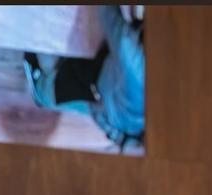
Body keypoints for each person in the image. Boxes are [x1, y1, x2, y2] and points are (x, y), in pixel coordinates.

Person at [23, 5, 145, 151]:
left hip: (102, 97)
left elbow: (108, 15)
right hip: (124, 108)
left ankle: (40, 92)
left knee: (58, 90)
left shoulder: (133, 57)